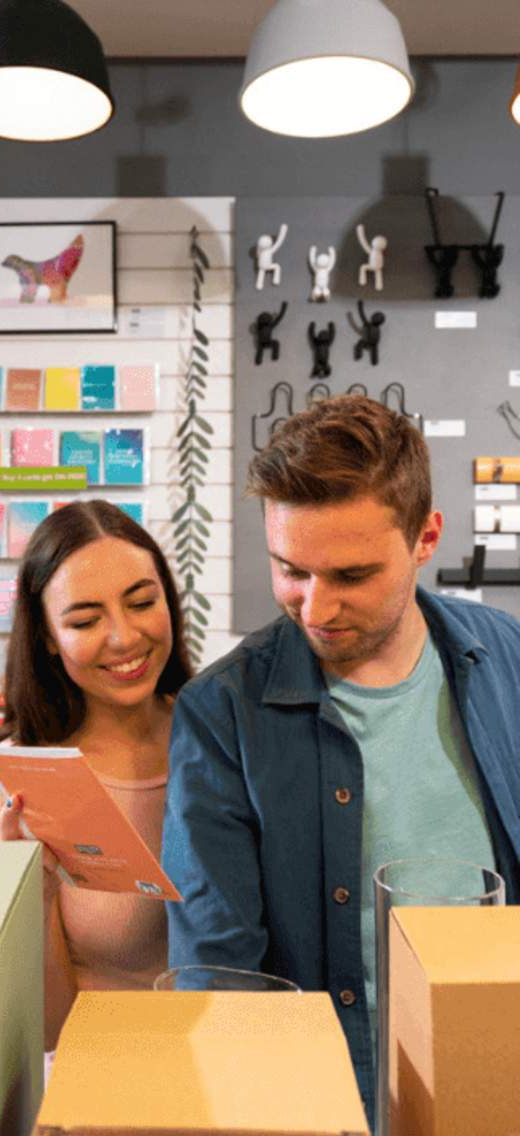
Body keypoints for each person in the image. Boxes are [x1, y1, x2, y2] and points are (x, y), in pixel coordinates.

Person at [162, 395, 520, 1125]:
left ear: (426, 538)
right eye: (290, 570)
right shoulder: (221, 714)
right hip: (325, 1105)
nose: (316, 606)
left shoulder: (508, 658)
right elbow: (220, 975)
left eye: (351, 576)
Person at [0, 500, 192, 1051]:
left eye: (142, 602)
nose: (123, 638)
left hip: (229, 1070)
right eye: (85, 620)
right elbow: (37, 1031)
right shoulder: (18, 779)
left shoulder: (220, 737)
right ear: (46, 635)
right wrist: (34, 896)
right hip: (92, 1084)